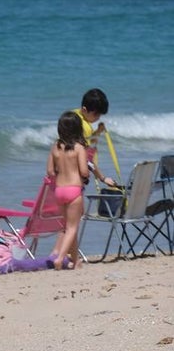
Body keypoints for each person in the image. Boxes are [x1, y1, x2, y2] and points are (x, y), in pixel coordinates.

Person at [46, 111, 89, 270]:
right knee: (72, 228)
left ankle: (75, 260)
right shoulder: (79, 148)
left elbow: (50, 171)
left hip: (59, 190)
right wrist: (84, 176)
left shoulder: (55, 147)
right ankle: (61, 258)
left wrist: (60, 172)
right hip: (74, 190)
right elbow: (84, 171)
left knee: (69, 226)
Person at [73, 88, 117, 187]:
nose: (98, 118)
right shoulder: (85, 127)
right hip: (75, 178)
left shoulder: (73, 115)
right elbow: (87, 159)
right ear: (84, 110)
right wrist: (103, 178)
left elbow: (85, 139)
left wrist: (98, 131)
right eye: (96, 114)